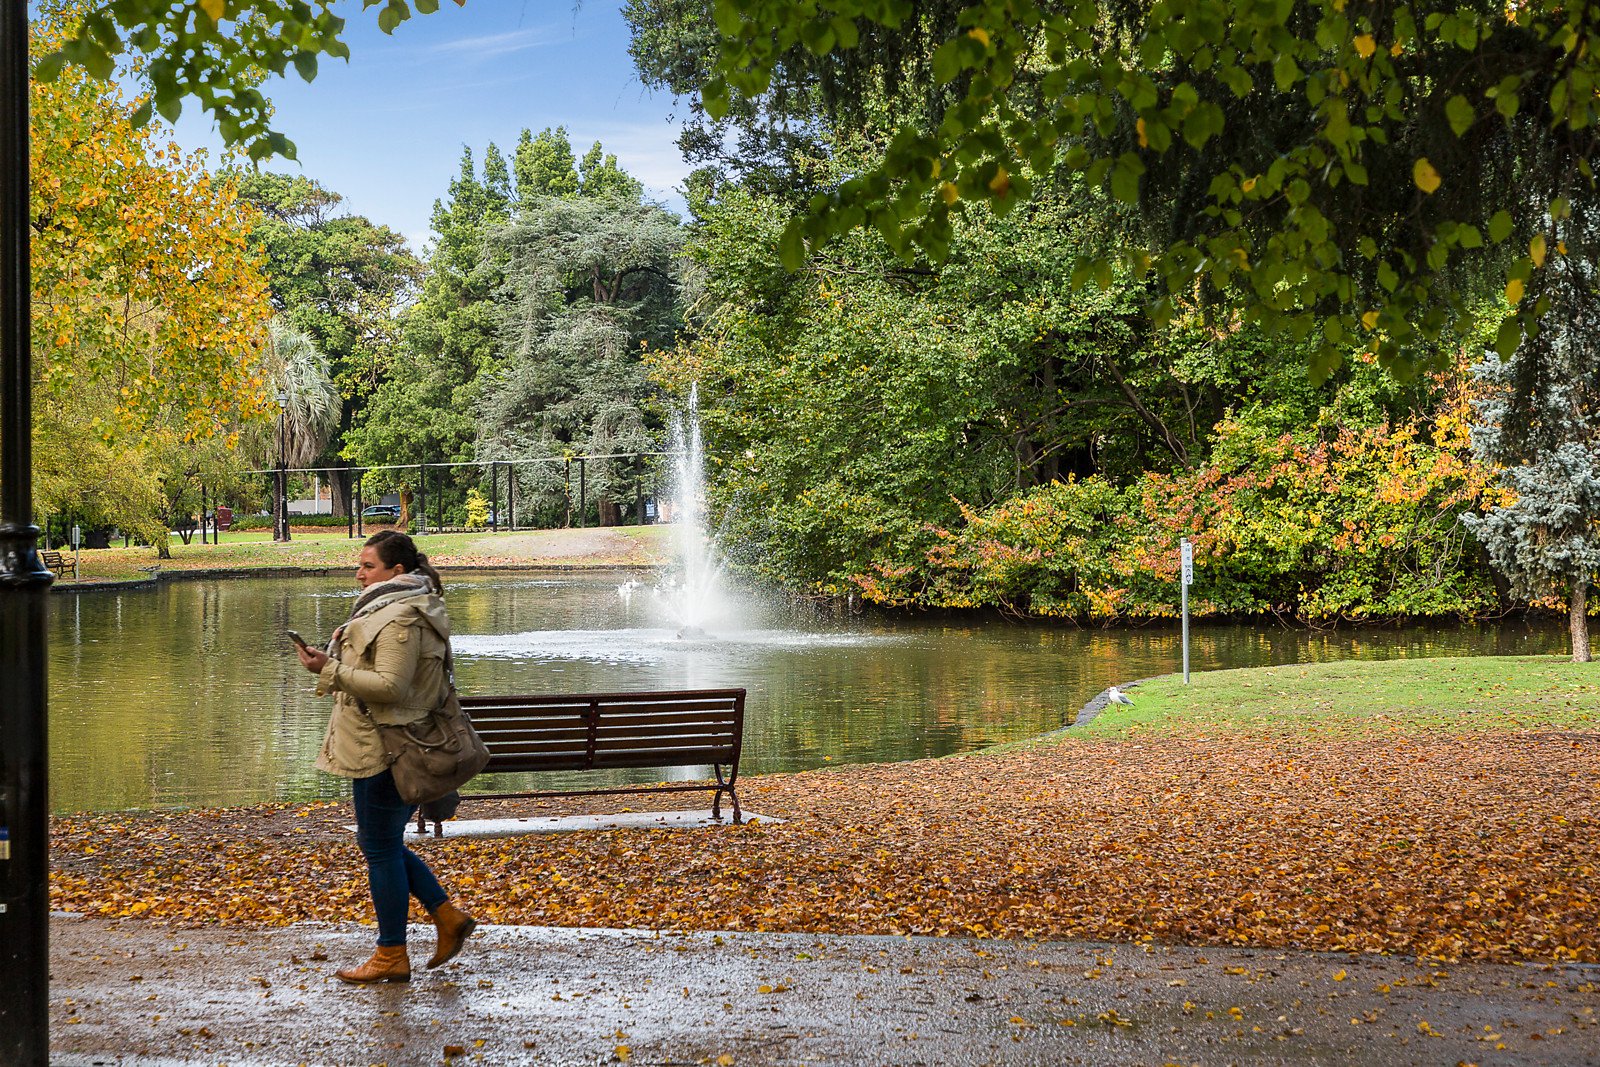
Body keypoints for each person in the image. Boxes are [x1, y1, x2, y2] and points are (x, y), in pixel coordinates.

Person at [295, 529, 477, 984]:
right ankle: (446, 917)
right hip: (379, 742)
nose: (358, 573)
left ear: (397, 571)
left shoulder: (401, 618)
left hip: (387, 748)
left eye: (368, 566)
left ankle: (392, 953)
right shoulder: (393, 608)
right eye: (359, 565)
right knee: (383, 845)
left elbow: (392, 688)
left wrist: (329, 669)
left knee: (379, 848)